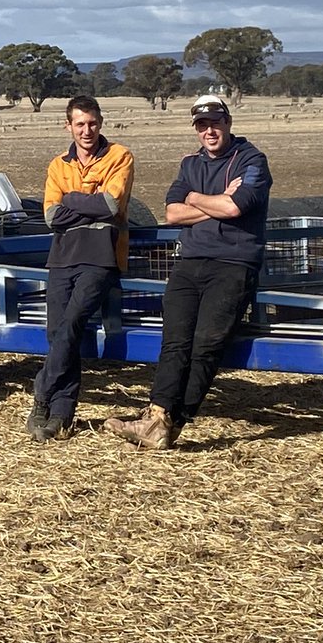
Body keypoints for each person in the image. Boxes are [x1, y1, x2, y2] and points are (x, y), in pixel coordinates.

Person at [105, 94, 272, 449]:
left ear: (228, 123)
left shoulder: (251, 160)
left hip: (233, 263)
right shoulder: (190, 164)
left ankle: (171, 421)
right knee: (175, 342)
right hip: (190, 260)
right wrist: (213, 201)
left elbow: (235, 207)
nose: (209, 131)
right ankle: (157, 415)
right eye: (202, 126)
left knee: (206, 344)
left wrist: (194, 199)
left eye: (215, 123)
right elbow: (172, 213)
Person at [28, 96, 134, 441]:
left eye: (92, 123)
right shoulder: (58, 164)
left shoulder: (119, 156)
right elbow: (51, 215)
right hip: (62, 256)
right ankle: (61, 413)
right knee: (57, 332)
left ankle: (42, 394)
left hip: (102, 256)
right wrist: (88, 203)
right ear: (68, 126)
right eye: (79, 124)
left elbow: (111, 203)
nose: (86, 131)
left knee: (72, 324)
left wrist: (71, 199)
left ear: (100, 123)